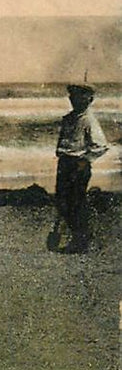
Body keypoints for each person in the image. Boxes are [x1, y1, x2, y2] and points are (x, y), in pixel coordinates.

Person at [50, 84, 109, 254]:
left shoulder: (88, 120)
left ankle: (81, 239)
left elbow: (101, 145)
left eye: (78, 96)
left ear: (89, 100)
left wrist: (86, 159)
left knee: (76, 202)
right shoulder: (69, 118)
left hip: (78, 164)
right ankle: (80, 237)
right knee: (62, 201)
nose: (73, 99)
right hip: (65, 164)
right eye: (72, 96)